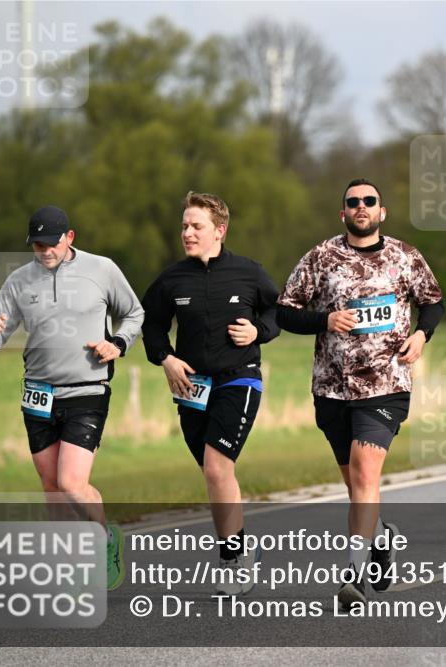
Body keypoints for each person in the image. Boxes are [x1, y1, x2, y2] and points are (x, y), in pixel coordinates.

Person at [276, 178, 444, 608]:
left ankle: (353, 574)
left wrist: (423, 335)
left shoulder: (405, 257)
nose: (362, 206)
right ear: (343, 213)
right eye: (353, 202)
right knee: (356, 485)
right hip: (332, 387)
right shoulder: (321, 257)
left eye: (370, 201)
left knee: (366, 472)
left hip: (387, 384)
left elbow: (433, 301)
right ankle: (381, 535)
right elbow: (284, 312)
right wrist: (325, 321)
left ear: (382, 211)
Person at [0, 205, 144, 590]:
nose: (45, 250)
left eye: (51, 243)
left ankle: (103, 540)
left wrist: (118, 343)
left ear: (70, 237)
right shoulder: (19, 280)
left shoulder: (101, 270)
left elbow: (134, 313)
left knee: (71, 482)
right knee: (51, 484)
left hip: (87, 389)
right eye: (37, 244)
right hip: (38, 393)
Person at [141, 191, 281, 594]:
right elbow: (150, 325)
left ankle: (231, 560)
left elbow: (277, 311)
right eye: (184, 225)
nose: (187, 232)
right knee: (214, 471)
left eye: (196, 226)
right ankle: (241, 550)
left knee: (217, 467)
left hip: (239, 379)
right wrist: (165, 358)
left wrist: (259, 331)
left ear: (219, 231)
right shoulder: (172, 279)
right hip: (191, 387)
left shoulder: (249, 272)